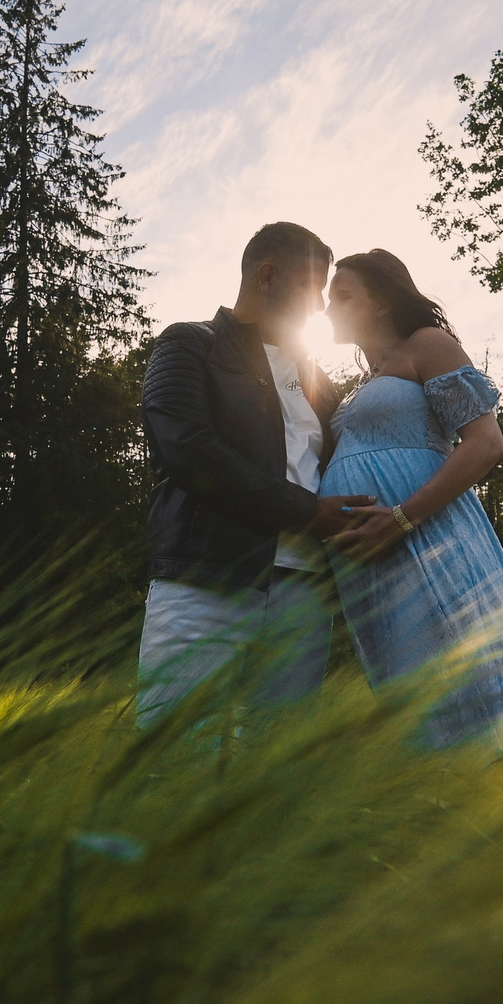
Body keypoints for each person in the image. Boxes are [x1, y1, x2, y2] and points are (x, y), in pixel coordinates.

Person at [136, 222, 374, 727]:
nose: (320, 307)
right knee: (174, 753)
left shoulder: (318, 381)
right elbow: (187, 451)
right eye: (313, 288)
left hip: (305, 595)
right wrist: (309, 513)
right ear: (267, 276)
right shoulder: (189, 344)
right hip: (208, 577)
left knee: (277, 763)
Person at [321, 249, 503, 745]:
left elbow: (487, 443)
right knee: (412, 695)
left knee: (465, 675)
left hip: (427, 540)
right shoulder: (367, 380)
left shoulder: (427, 345)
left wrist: (403, 519)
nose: (328, 309)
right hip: (374, 562)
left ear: (383, 301)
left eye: (342, 295)